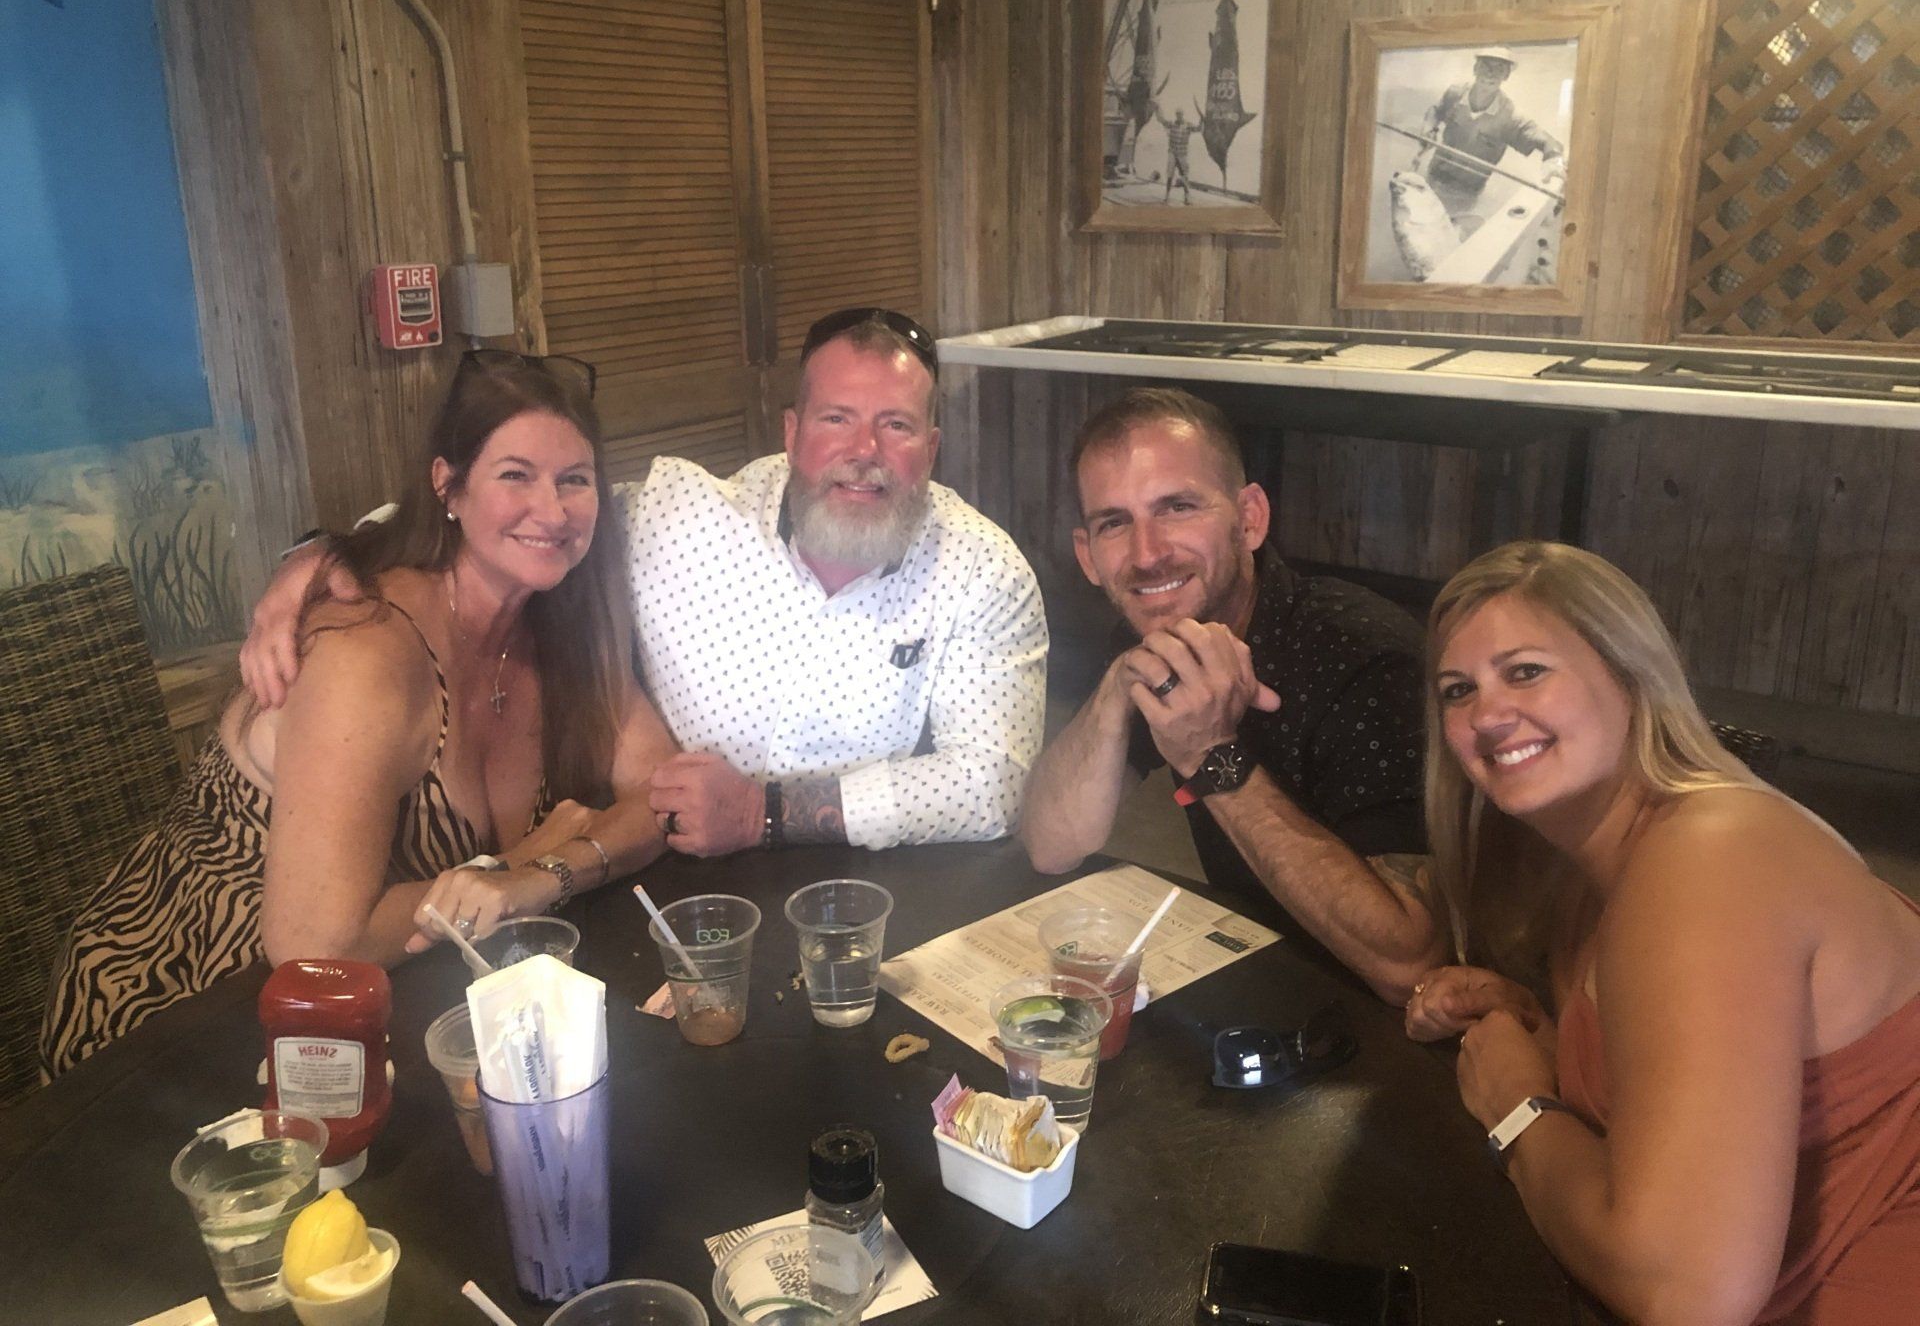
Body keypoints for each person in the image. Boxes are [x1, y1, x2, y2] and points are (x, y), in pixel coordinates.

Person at [41, 353, 677, 1077]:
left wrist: (547, 874)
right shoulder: (368, 648)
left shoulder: (561, 624)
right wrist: (518, 861)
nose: (554, 510)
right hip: (191, 1002)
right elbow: (318, 948)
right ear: (448, 487)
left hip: (396, 1002)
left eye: (575, 479)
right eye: (515, 475)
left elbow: (662, 796)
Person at [242, 308, 1047, 857]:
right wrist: (324, 553)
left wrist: (766, 815)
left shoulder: (982, 570)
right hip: (671, 885)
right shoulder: (684, 516)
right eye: (838, 419)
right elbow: (517, 515)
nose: (864, 449)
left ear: (932, 447)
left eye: (897, 425)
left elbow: (989, 786)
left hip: (863, 889)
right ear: (793, 433)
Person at [1406, 540, 1920, 1324]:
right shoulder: (1593, 870)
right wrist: (1541, 1034)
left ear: (1631, 673)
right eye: (1456, 690)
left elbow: (1688, 1296)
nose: (1486, 715)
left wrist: (1518, 1102)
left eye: (1526, 670)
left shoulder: (1708, 853)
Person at [1021, 388, 1441, 1002]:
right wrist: (1117, 686)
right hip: (1276, 980)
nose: (1147, 554)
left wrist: (1211, 758)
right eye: (1115, 523)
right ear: (1088, 555)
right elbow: (1050, 844)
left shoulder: (1366, 657)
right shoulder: (1156, 636)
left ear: (1249, 519)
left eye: (1178, 507)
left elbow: (1410, 966)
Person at [1419, 47, 1566, 234]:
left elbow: (1551, 144)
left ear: (1506, 76)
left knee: (1443, 236)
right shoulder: (1455, 93)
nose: (1490, 74)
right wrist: (1428, 128)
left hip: (1465, 196)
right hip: (1431, 180)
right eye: (1485, 66)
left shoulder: (1511, 117)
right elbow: (1435, 111)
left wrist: (1554, 161)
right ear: (1475, 69)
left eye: (1499, 69)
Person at [1155, 106, 1196, 204]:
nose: (1179, 116)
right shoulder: (1172, 124)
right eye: (1177, 114)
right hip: (1172, 153)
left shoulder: (1188, 125)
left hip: (1182, 154)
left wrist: (1203, 121)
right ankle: (1167, 196)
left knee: (1184, 175)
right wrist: (1157, 109)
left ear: (1183, 115)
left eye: (1180, 114)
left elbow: (1199, 129)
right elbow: (1161, 120)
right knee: (1170, 175)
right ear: (1176, 115)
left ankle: (1187, 197)